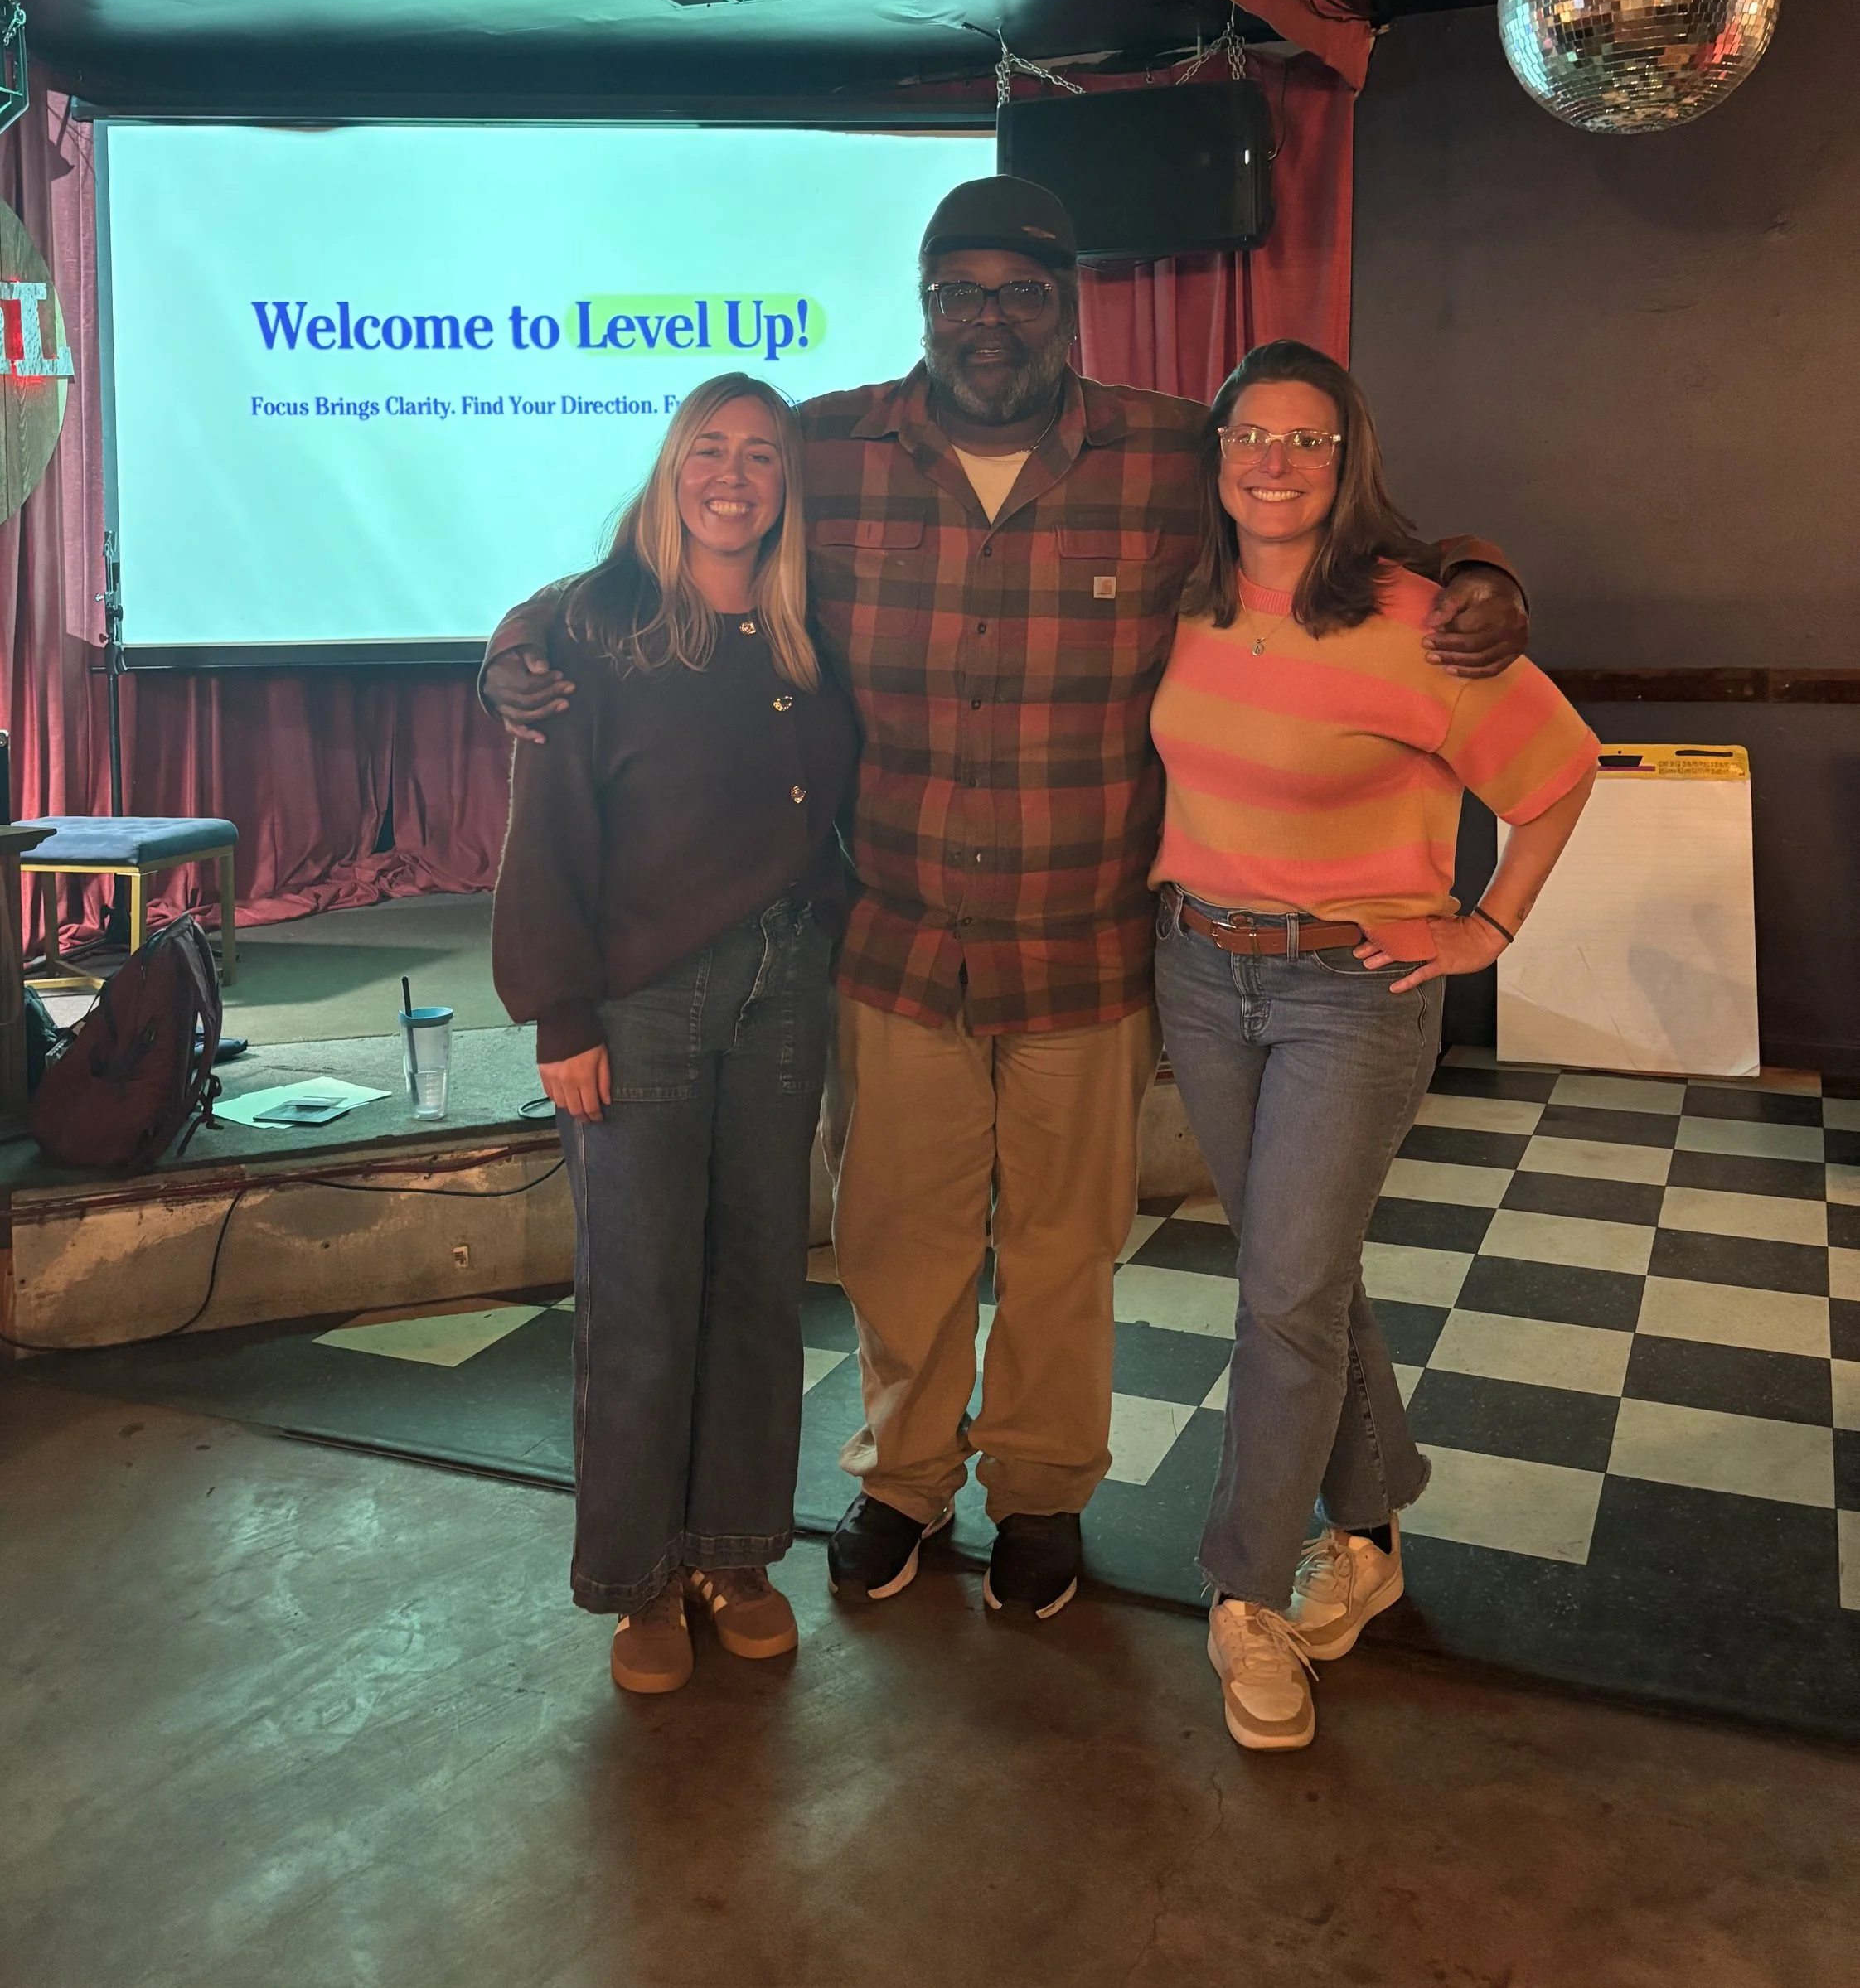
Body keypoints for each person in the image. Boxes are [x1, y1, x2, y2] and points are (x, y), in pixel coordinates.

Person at [485, 177, 1529, 1626]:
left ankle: (1042, 1492)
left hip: (1088, 945)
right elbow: (663, 535)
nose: (989, 320)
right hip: (895, 941)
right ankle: (904, 1481)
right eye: (957, 292)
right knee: (897, 1239)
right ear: (922, 302)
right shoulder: (833, 444)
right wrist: (517, 637)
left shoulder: (1172, 454)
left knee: (1063, 1247)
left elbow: (1338, 520)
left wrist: (1479, 570)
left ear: (1069, 305)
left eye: (1021, 293)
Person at [1150, 340, 1597, 1751]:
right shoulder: (1183, 600)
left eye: (1307, 439)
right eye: (1249, 435)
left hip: (1354, 984)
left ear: (1350, 465)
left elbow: (1561, 768)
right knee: (1307, 1271)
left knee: (1280, 1291)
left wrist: (1491, 925)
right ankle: (1376, 1523)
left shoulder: (1424, 622)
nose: (1272, 462)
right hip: (1199, 966)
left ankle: (1243, 1598)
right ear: (1214, 453)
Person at [490, 374, 857, 1695]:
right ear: (669, 467)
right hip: (636, 1006)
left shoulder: (813, 619)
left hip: (782, 989)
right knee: (642, 1299)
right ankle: (639, 1581)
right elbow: (548, 837)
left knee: (761, 1283)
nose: (734, 474)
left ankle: (737, 1553)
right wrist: (562, 1015)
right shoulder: (588, 629)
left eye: (762, 454)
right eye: (709, 448)